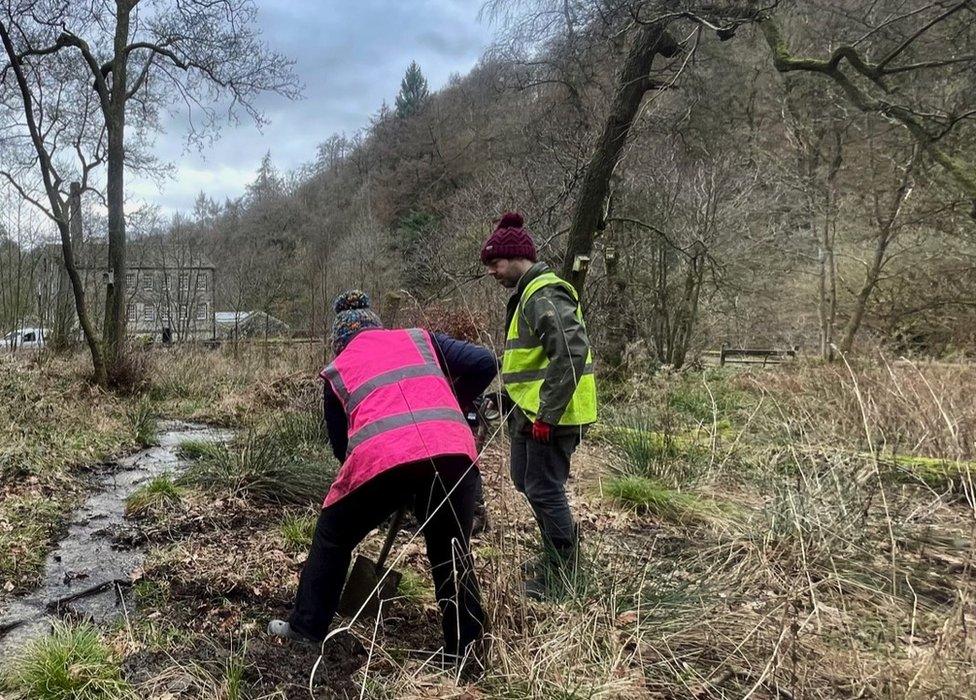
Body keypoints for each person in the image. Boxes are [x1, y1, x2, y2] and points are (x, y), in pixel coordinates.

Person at [268, 290, 495, 664]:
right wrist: (455, 401)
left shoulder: (339, 368)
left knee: (333, 533)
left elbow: (344, 451)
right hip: (453, 449)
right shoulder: (422, 340)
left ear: (340, 340)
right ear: (378, 326)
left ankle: (306, 631)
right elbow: (485, 362)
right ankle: (466, 653)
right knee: (451, 551)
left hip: (385, 457)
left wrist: (391, 486)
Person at [481, 212, 597, 598]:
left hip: (554, 416)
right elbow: (531, 362)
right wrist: (506, 397)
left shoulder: (545, 293)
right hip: (530, 413)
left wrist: (547, 414)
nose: (492, 272)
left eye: (495, 263)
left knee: (544, 488)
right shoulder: (528, 296)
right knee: (526, 481)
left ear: (517, 257)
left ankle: (564, 573)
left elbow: (569, 351)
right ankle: (555, 552)